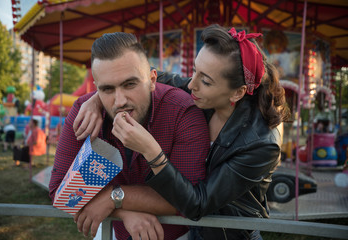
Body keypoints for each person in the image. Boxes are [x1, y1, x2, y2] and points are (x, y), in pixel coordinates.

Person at [74, 24, 290, 239]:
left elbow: (198, 204)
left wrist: (152, 152)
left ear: (238, 93)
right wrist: (97, 100)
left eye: (205, 80)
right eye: (195, 70)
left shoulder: (261, 144)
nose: (191, 85)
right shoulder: (204, 94)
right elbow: (140, 79)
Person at [48, 32, 210, 240]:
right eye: (107, 89)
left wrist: (112, 197)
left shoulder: (182, 112)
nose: (120, 101)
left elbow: (189, 197)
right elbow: (59, 192)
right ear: (97, 89)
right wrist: (120, 209)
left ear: (152, 80)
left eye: (130, 84)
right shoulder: (83, 111)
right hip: (111, 231)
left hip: (174, 235)